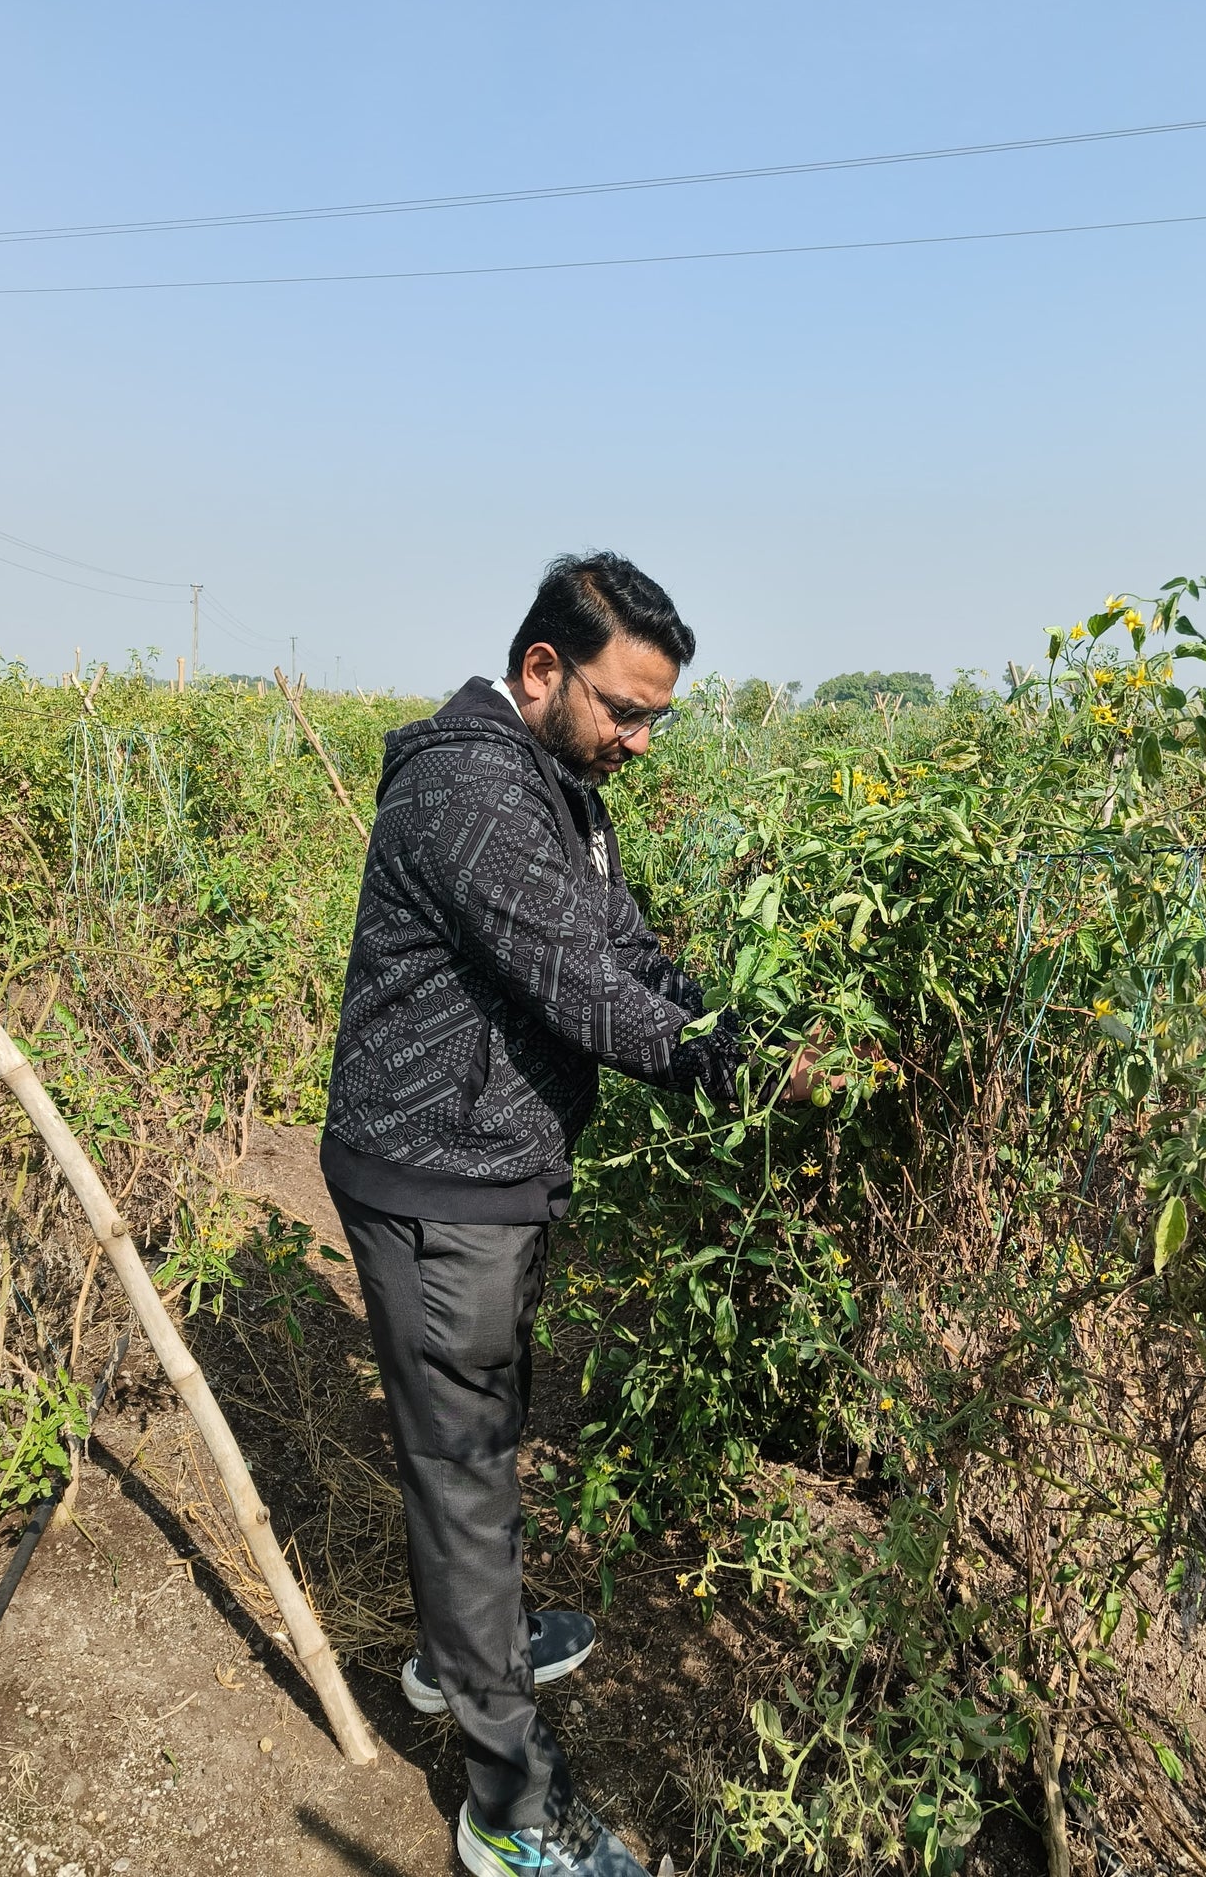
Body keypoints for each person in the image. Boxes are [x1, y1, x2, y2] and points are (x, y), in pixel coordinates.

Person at [322, 553, 824, 1876]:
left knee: (480, 1436)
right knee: (466, 1478)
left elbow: (630, 955)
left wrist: (743, 1022)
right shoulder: (470, 788)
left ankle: (457, 1650)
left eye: (658, 716)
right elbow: (583, 994)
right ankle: (511, 1814)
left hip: (496, 1168)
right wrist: (745, 1071)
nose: (641, 741)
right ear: (542, 670)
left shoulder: (561, 787)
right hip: (439, 1182)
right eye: (625, 710)